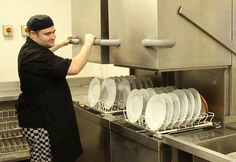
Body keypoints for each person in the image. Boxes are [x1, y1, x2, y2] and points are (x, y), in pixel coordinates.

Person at [16, 14, 95, 162]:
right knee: (44, 160)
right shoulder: (33, 55)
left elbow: (45, 56)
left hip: (42, 117)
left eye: (54, 32)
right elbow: (74, 67)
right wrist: (88, 43)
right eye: (47, 34)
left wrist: (61, 44)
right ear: (32, 34)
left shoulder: (29, 49)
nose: (52, 36)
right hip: (40, 122)